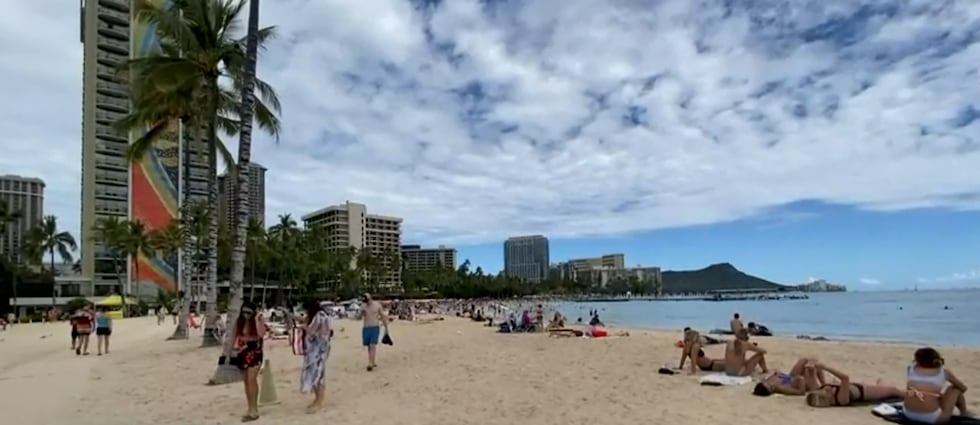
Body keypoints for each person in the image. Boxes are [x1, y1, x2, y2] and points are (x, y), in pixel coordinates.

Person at [903, 347, 971, 424]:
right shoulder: (944, 372)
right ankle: (964, 413)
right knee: (955, 389)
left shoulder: (910, 369)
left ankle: (963, 412)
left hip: (908, 414)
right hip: (932, 419)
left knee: (925, 393)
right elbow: (963, 388)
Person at [803, 360, 904, 406]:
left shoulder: (823, 390)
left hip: (857, 386)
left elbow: (810, 375)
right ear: (827, 398)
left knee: (881, 384)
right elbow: (845, 378)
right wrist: (825, 367)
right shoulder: (841, 399)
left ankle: (881, 384)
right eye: (824, 392)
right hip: (866, 392)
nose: (825, 389)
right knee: (893, 391)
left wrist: (811, 367)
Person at [234, 302, 267, 422]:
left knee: (252, 379)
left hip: (255, 352)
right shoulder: (240, 321)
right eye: (244, 312)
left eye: (249, 312)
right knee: (246, 381)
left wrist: (258, 319)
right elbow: (236, 335)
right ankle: (250, 407)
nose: (246, 315)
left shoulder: (258, 320)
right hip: (242, 352)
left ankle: (254, 409)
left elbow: (260, 334)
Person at [299, 300, 332, 413]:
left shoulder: (320, 317)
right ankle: (317, 399)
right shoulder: (315, 316)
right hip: (313, 350)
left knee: (318, 375)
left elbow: (313, 332)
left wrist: (304, 328)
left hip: (319, 350)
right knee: (313, 374)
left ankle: (319, 401)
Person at [752, 357, 823, 396]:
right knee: (812, 367)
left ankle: (823, 383)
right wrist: (801, 380)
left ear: (764, 382)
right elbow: (801, 392)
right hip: (802, 384)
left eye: (768, 384)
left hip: (790, 377)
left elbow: (779, 375)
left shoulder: (769, 380)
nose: (771, 385)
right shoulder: (780, 388)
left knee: (804, 360)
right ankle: (823, 384)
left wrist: (778, 373)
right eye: (771, 388)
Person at [360, 293, 389, 371]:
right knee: (369, 346)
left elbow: (383, 316)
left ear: (370, 298)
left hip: (375, 327)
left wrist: (386, 327)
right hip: (366, 327)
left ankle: (371, 364)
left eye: (368, 300)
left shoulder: (377, 305)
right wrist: (362, 312)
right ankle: (372, 361)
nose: (367, 302)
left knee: (372, 345)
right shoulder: (363, 306)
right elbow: (359, 316)